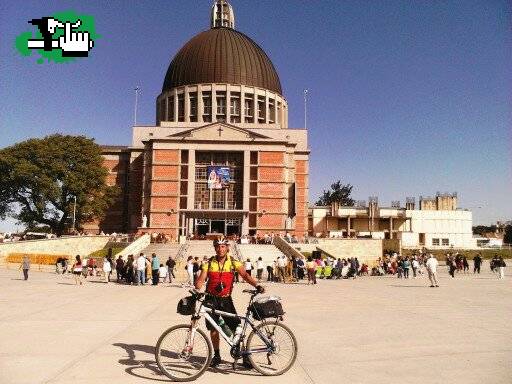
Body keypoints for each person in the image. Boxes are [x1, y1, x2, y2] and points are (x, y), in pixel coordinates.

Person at [194, 238, 264, 368]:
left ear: (227, 248)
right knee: (213, 329)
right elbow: (201, 281)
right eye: (218, 247)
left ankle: (243, 354)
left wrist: (257, 285)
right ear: (215, 248)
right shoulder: (208, 264)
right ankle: (217, 355)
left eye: (223, 247)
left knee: (235, 328)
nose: (220, 249)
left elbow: (245, 276)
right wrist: (197, 285)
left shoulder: (233, 262)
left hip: (226, 299)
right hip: (210, 299)